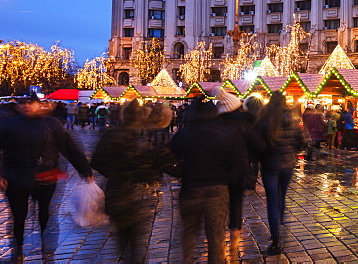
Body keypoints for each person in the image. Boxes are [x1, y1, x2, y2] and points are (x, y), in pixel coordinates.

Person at [0, 96, 95, 259]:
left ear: (39, 104)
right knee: (18, 215)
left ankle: (47, 246)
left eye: (31, 102)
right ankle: (19, 248)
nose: (27, 106)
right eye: (23, 103)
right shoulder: (9, 126)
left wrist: (85, 170)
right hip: (16, 176)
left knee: (45, 213)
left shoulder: (51, 124)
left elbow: (69, 148)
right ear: (17, 107)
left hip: (45, 176)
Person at [92, 99, 176, 263]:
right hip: (144, 194)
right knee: (139, 240)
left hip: (117, 192)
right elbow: (165, 163)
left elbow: (96, 162)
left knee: (123, 236)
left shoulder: (111, 134)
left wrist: (115, 174)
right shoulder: (147, 136)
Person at [170, 98, 239, 264]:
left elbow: (168, 158)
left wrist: (180, 172)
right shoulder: (225, 133)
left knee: (189, 236)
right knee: (216, 238)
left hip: (190, 189)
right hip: (217, 190)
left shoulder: (184, 134)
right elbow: (236, 163)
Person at [214, 87, 265, 262]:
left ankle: (218, 243)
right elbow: (260, 146)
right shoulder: (244, 124)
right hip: (238, 172)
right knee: (236, 206)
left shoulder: (214, 124)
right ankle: (234, 246)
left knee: (218, 208)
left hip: (217, 174)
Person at [255, 91, 305, 256]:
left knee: (272, 201)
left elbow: (258, 145)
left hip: (270, 165)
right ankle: (280, 226)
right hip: (288, 165)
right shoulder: (293, 119)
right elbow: (302, 142)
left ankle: (275, 238)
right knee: (282, 197)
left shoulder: (264, 120)